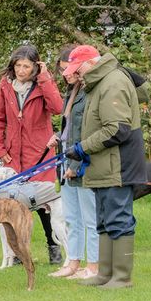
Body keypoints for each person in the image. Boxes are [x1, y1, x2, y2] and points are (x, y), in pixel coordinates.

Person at [64, 45, 146, 289]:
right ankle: (105, 274)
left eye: (77, 70)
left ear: (90, 64)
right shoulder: (98, 83)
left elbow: (117, 128)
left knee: (119, 218)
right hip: (102, 165)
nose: (76, 76)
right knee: (103, 219)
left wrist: (82, 147)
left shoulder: (113, 82)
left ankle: (121, 277)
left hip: (118, 164)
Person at [0, 44, 65, 265]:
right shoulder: (5, 86)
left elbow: (58, 107)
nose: (22, 70)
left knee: (45, 204)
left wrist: (45, 79)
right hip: (14, 155)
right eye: (18, 65)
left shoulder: (42, 84)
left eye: (27, 66)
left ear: (36, 66)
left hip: (40, 153)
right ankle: (19, 252)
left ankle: (54, 247)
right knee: (15, 206)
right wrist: (0, 149)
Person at [49, 45, 100, 279]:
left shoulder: (90, 91)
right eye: (62, 70)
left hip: (82, 163)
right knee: (71, 218)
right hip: (66, 159)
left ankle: (94, 267)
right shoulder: (72, 92)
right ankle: (73, 262)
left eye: (67, 69)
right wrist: (59, 137)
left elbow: (86, 132)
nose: (65, 74)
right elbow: (71, 128)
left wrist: (75, 165)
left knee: (89, 218)